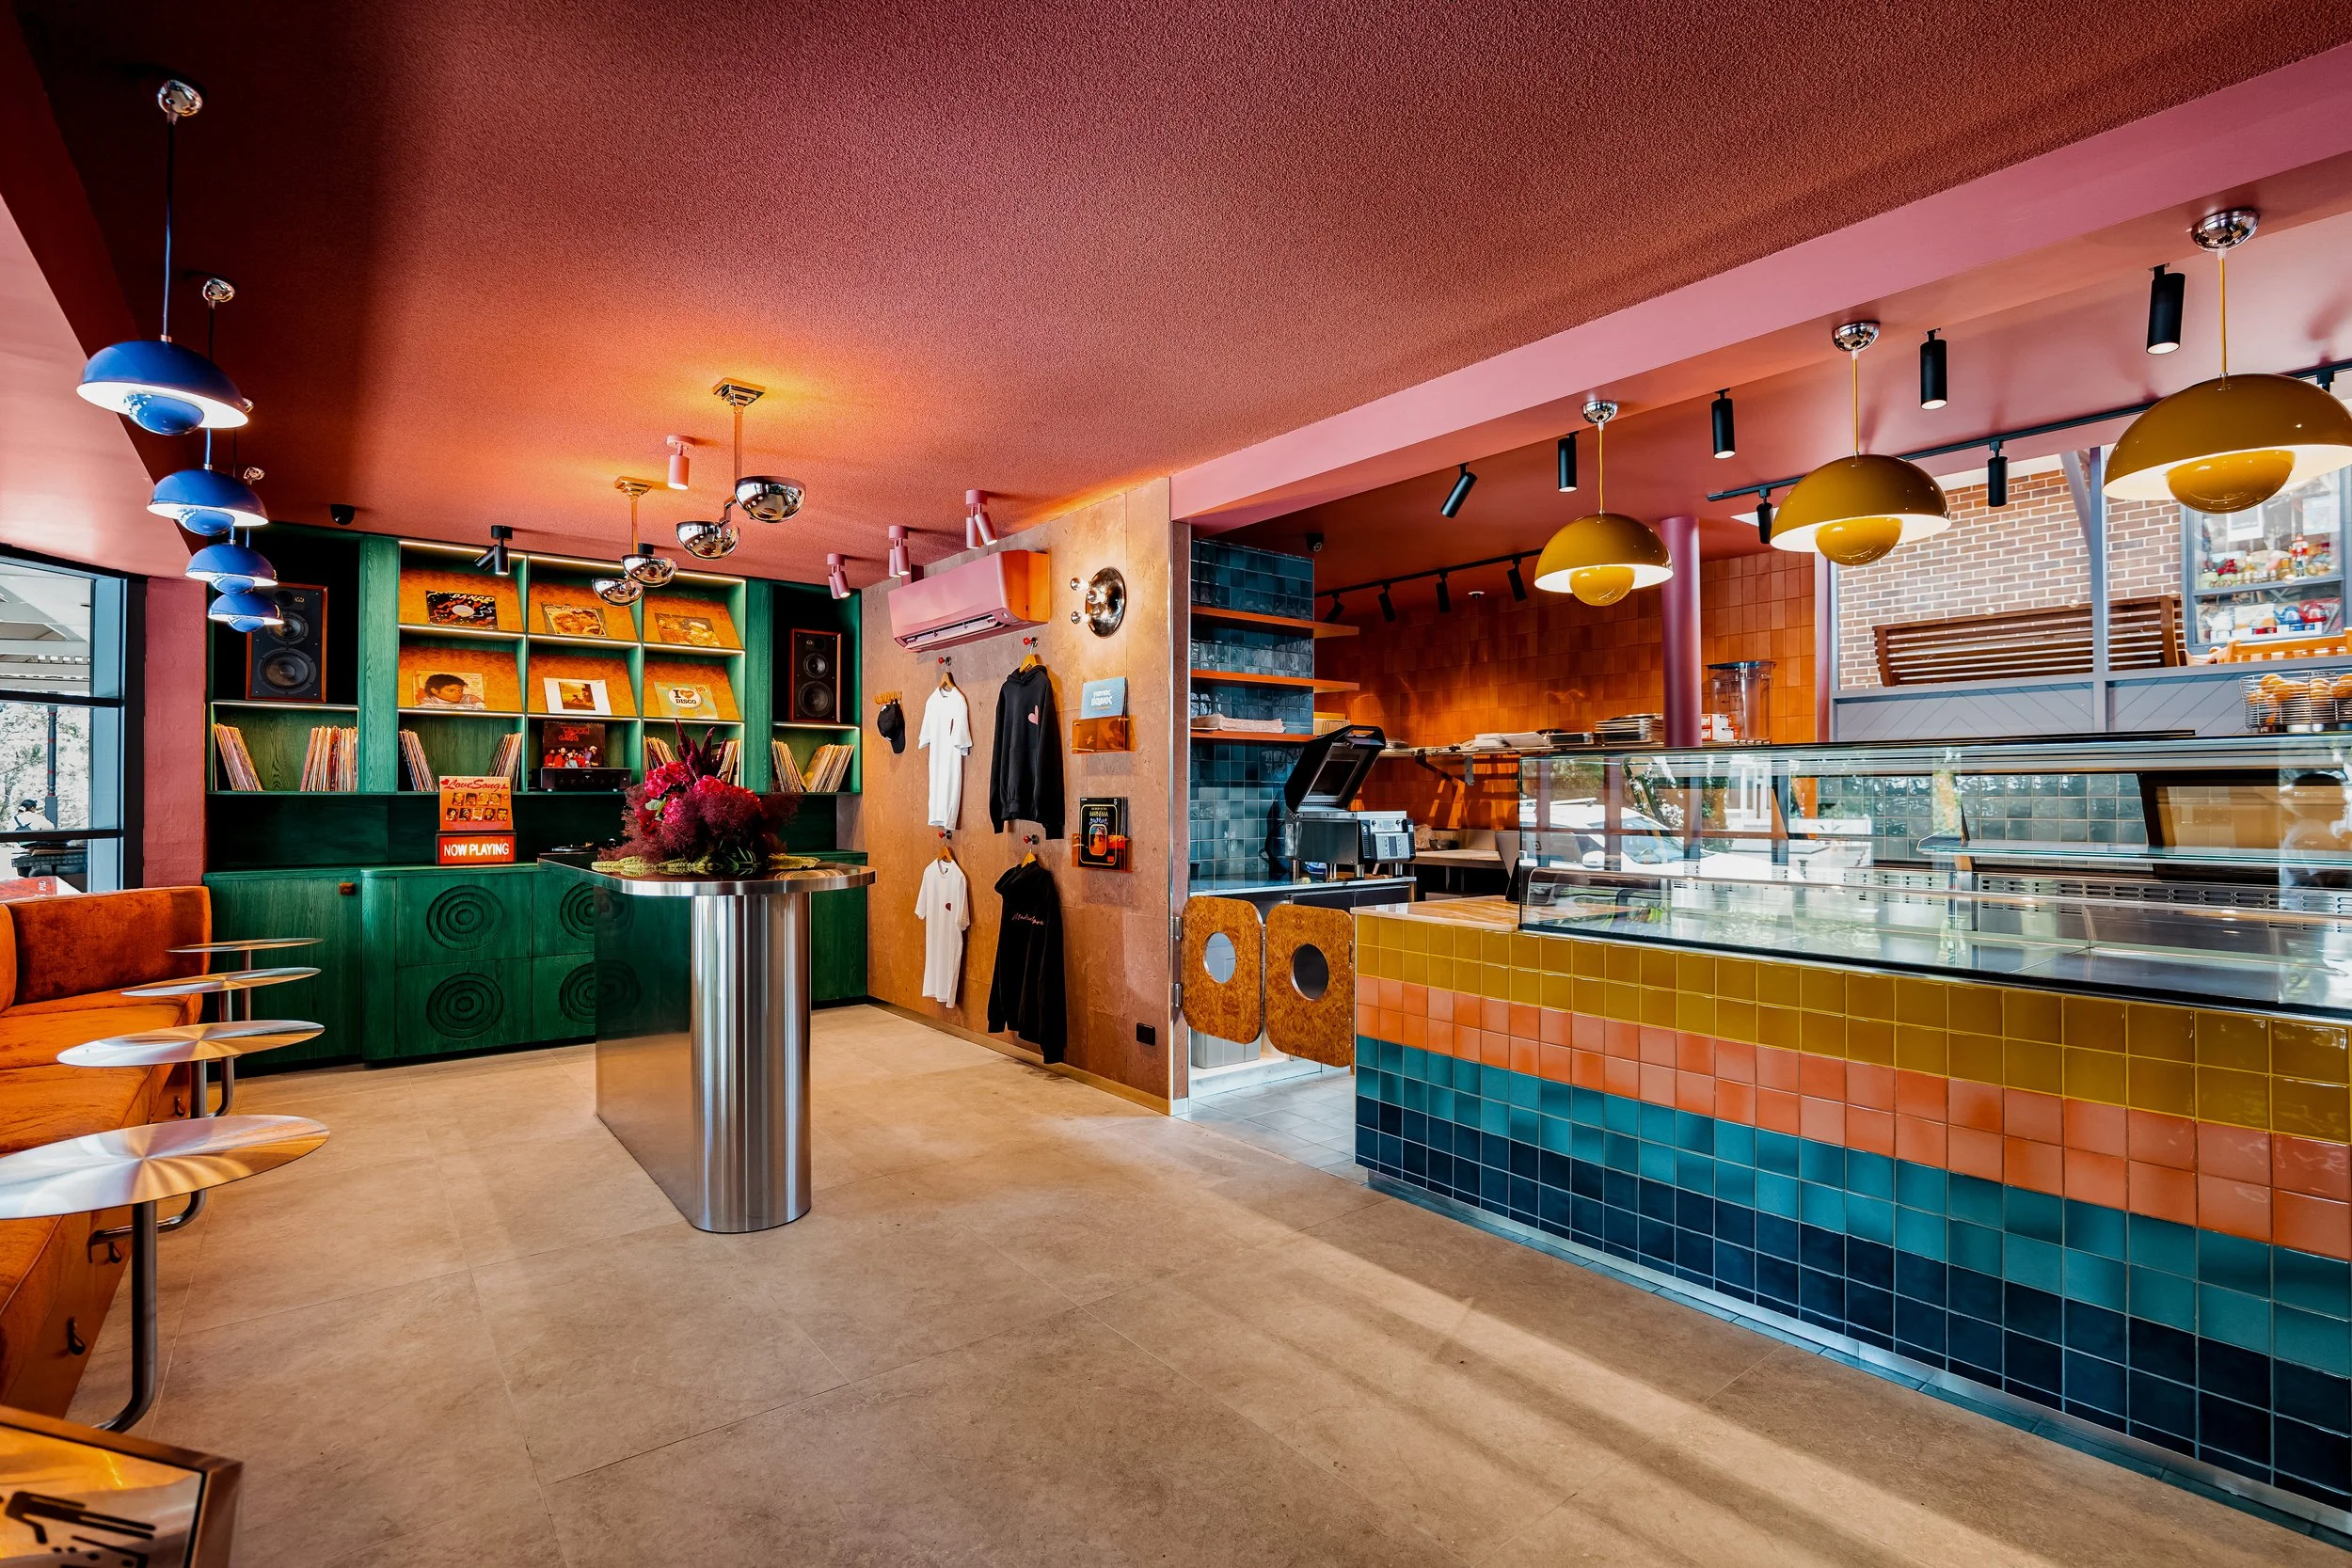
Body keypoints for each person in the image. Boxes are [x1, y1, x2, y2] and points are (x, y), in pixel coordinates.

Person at [416, 673, 484, 709]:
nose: (459, 694)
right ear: (434, 691)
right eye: (451, 691)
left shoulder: (463, 698)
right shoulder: (428, 702)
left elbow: (475, 701)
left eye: (460, 690)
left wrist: (478, 703)